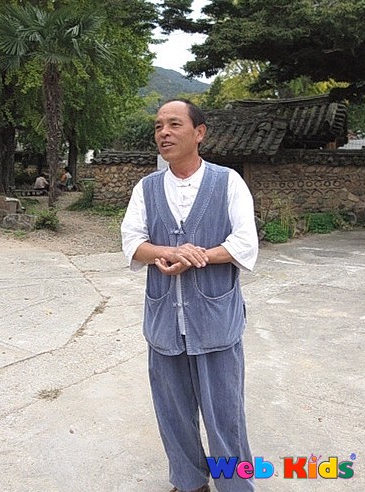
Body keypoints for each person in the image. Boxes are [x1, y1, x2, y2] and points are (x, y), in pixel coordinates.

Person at [121, 99, 258, 492]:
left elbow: (245, 243)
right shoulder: (146, 188)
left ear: (199, 133)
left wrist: (198, 256)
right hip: (165, 322)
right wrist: (167, 252)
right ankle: (189, 482)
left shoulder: (228, 182)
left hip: (215, 322)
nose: (163, 133)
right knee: (173, 412)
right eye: (158, 126)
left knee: (225, 415)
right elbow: (132, 242)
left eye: (174, 124)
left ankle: (235, 486)